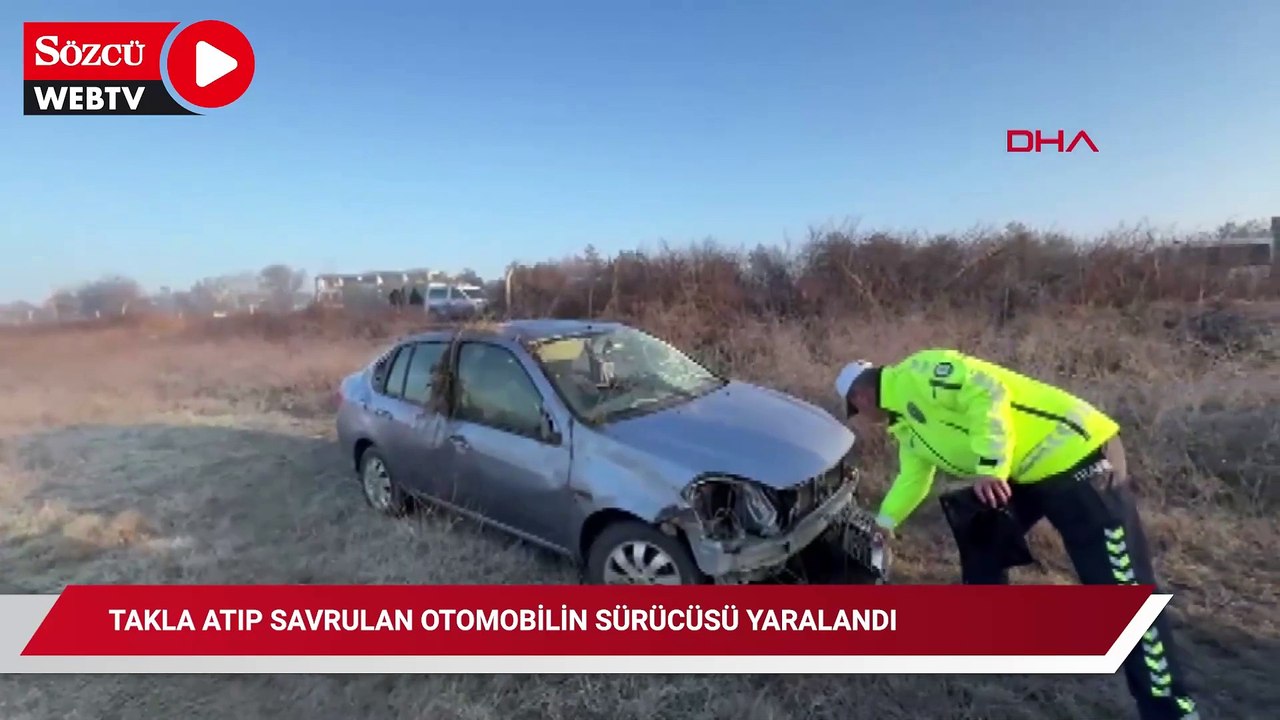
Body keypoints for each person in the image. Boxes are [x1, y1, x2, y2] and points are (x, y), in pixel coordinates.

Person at [834, 349, 1200, 720]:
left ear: (861, 397)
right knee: (979, 523)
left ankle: (1172, 710)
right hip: (1029, 471)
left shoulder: (918, 373)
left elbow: (987, 392)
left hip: (1078, 455)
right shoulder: (908, 429)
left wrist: (991, 466)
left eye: (858, 411)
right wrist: (886, 521)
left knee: (1120, 595)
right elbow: (914, 477)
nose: (865, 419)